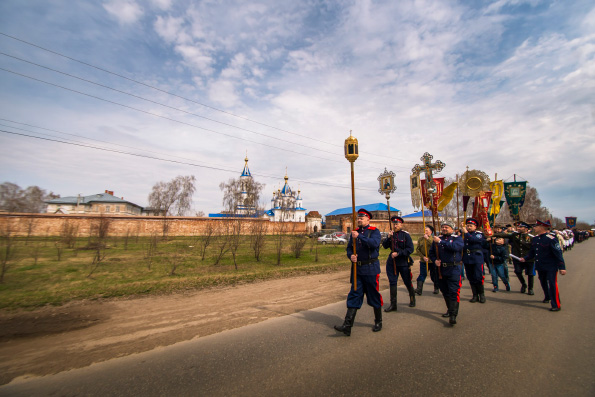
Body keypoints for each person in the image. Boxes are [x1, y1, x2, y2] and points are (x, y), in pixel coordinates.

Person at [334, 208, 383, 336]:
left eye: (362, 218)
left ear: (368, 219)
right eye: (358, 218)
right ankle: (347, 325)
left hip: (371, 268)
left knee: (373, 295)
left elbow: (374, 244)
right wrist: (351, 256)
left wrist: (359, 236)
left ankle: (378, 321)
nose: (359, 220)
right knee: (354, 294)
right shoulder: (354, 233)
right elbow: (349, 248)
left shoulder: (374, 232)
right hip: (357, 269)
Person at [520, 220, 566, 311]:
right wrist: (525, 258)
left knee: (552, 284)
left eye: (536, 226)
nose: (534, 228)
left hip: (550, 266)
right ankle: (547, 296)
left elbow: (558, 253)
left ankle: (556, 304)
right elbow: (532, 252)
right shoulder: (536, 239)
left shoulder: (551, 238)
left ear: (542, 227)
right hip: (540, 265)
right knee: (543, 282)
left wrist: (562, 267)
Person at [429, 220, 464, 325]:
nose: (444, 229)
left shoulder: (457, 239)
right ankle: (450, 309)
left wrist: (440, 242)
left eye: (447, 227)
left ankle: (453, 315)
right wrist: (435, 260)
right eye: (443, 227)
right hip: (441, 270)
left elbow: (455, 247)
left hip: (453, 269)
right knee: (445, 291)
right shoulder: (438, 239)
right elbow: (431, 252)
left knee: (454, 292)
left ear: (452, 229)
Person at [382, 216, 415, 311]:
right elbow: (384, 246)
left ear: (401, 224)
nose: (395, 226)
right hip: (392, 262)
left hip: (403, 262)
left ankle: (412, 298)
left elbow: (410, 249)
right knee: (392, 282)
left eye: (397, 224)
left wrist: (399, 253)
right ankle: (393, 304)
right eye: (394, 224)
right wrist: (388, 238)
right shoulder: (391, 235)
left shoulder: (405, 235)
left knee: (407, 282)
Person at [494, 222, 535, 295]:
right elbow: (503, 235)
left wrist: (529, 257)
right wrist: (492, 234)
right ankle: (523, 284)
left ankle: (530, 288)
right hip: (517, 257)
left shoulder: (532, 237)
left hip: (528, 258)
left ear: (526, 229)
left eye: (521, 227)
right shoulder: (514, 235)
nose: (518, 228)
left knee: (530, 274)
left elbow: (533, 249)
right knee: (518, 271)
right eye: (518, 227)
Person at [461, 218, 487, 303]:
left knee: (478, 277)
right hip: (467, 258)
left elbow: (474, 240)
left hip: (476, 258)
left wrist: (466, 233)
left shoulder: (478, 234)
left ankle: (481, 294)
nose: (468, 227)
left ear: (475, 227)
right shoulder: (463, 234)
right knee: (471, 277)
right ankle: (475, 295)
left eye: (470, 226)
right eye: (467, 226)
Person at [415, 225, 439, 295]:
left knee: (434, 275)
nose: (425, 232)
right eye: (424, 230)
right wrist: (423, 257)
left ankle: (436, 287)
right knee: (422, 274)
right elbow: (417, 249)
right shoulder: (421, 239)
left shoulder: (433, 239)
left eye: (427, 230)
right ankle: (419, 289)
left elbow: (434, 246)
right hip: (424, 260)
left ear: (431, 232)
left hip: (432, 261)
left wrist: (428, 239)